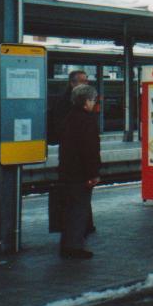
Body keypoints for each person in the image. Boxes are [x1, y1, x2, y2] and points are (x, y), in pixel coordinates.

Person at [58, 84, 101, 259]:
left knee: (70, 210)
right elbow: (89, 150)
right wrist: (93, 174)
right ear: (85, 101)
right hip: (81, 173)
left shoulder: (69, 117)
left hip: (67, 170)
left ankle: (67, 244)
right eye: (92, 100)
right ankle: (74, 248)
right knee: (79, 210)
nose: (93, 104)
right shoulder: (87, 120)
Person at [48, 70, 88, 146]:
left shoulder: (81, 99)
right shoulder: (65, 101)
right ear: (72, 83)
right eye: (82, 81)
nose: (86, 84)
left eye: (86, 81)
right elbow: (61, 123)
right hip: (71, 143)